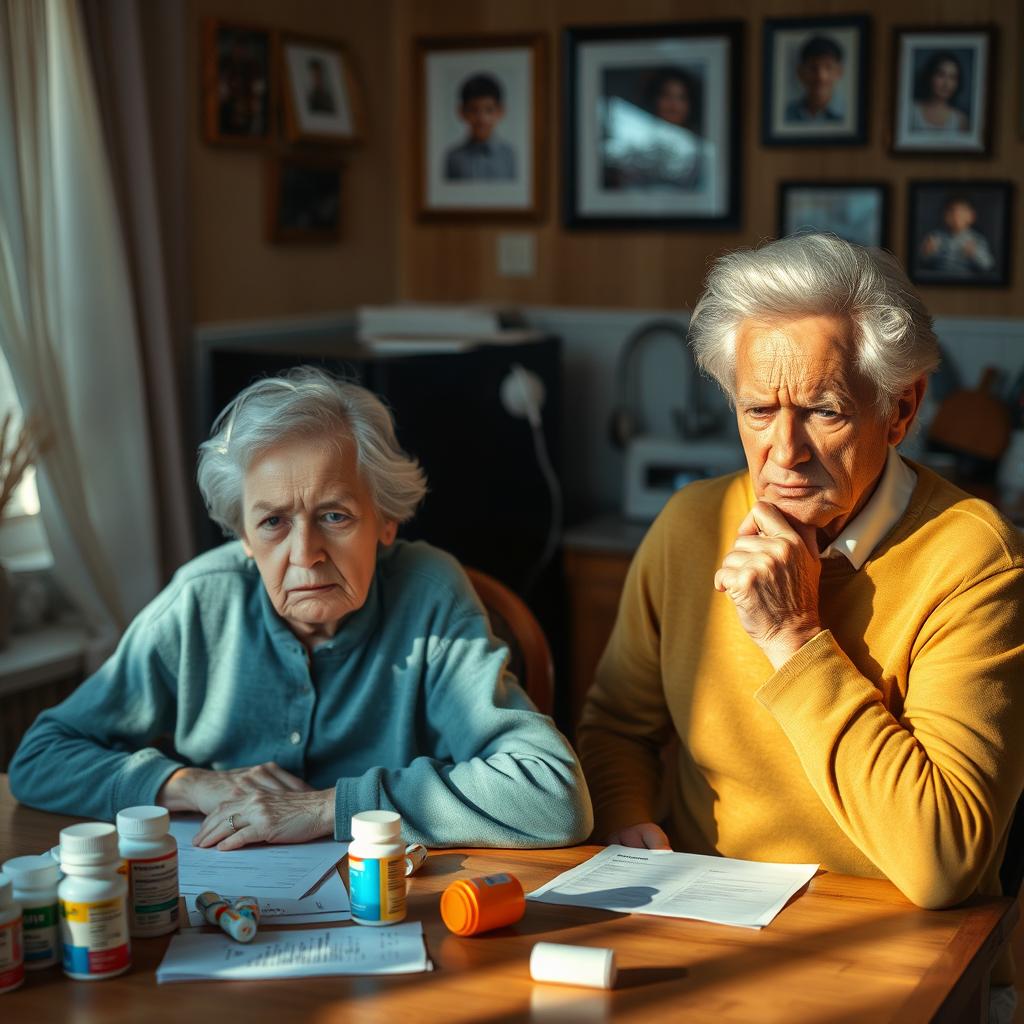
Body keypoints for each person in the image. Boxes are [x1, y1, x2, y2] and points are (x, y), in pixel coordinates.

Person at [577, 235, 1024, 1001]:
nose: (783, 452)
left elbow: (943, 861)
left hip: (896, 960)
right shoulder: (688, 525)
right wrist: (625, 819)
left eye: (823, 411)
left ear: (900, 409)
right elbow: (618, 726)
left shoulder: (977, 562)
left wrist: (795, 637)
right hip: (696, 940)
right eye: (757, 410)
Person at [9, 368, 592, 851]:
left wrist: (326, 808)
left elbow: (551, 795)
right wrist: (190, 785)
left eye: (335, 516)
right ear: (241, 534)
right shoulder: (200, 601)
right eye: (272, 522)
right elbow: (39, 759)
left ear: (387, 520)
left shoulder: (429, 592)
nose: (305, 555)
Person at [603, 67, 703, 191]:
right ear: (655, 99)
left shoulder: (699, 148)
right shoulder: (632, 136)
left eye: (681, 98)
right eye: (667, 96)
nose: (673, 105)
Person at [444, 73, 516, 181]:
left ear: (500, 112)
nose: (481, 118)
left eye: (489, 110)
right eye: (473, 110)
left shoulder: (510, 156)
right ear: (462, 112)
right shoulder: (453, 158)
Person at [919, 195, 995, 276]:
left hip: (964, 281)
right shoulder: (935, 236)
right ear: (944, 215)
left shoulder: (976, 239)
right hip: (939, 279)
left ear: (971, 216)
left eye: (961, 212)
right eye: (951, 211)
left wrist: (974, 254)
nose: (956, 216)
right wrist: (927, 252)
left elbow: (988, 265)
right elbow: (922, 261)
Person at [784, 35, 844, 123]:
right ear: (800, 72)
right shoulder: (787, 114)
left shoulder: (848, 114)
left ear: (839, 72)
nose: (821, 76)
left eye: (828, 67)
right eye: (813, 68)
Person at [911, 51, 969, 133]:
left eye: (952, 77)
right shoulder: (911, 111)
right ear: (930, 76)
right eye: (941, 75)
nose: (946, 84)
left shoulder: (961, 120)